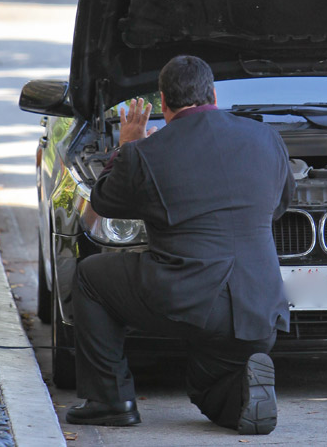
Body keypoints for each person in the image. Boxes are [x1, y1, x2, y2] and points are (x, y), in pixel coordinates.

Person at [65, 55, 295, 434]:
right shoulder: (266, 137)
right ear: (214, 95)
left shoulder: (146, 154)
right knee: (207, 384)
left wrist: (126, 148)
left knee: (90, 277)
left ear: (163, 102)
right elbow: (280, 205)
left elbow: (104, 201)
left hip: (187, 298)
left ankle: (111, 401)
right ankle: (244, 389)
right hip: (260, 306)